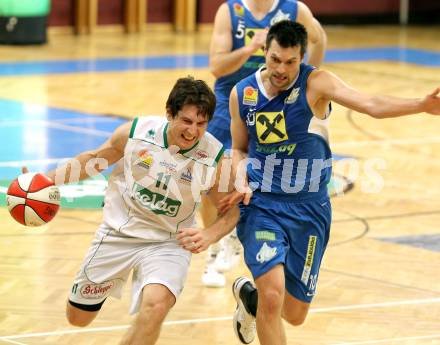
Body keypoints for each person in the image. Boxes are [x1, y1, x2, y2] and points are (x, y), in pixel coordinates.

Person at [223, 20, 440, 344]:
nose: (281, 69)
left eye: (290, 62)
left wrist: (421, 105)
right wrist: (240, 176)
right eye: (275, 59)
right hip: (263, 204)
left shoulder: (317, 83)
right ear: (265, 53)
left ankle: (250, 298)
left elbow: (370, 104)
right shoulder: (243, 93)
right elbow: (239, 148)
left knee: (293, 313)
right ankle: (262, 298)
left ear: (303, 58)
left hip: (310, 209)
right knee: (273, 296)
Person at [24, 77, 239, 345]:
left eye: (201, 124)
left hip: (168, 242)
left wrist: (210, 234)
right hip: (118, 233)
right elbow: (92, 162)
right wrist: (46, 180)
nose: (192, 132)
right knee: (77, 318)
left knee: (155, 307)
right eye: (186, 121)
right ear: (169, 113)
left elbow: (231, 210)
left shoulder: (214, 158)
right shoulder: (136, 134)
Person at [201, 0, 327, 288]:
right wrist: (249, 48)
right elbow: (217, 66)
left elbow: (319, 38)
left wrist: (309, 79)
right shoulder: (230, 12)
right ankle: (214, 250)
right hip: (233, 100)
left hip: (276, 103)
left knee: (263, 176)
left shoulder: (296, 10)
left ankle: (240, 235)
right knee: (213, 179)